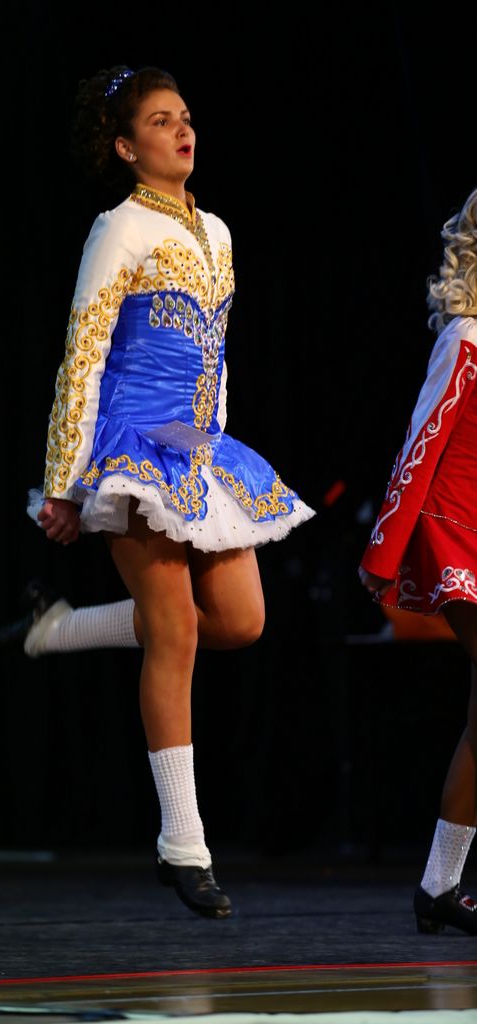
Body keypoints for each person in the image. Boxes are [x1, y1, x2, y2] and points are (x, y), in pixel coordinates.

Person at [0, 65, 315, 918]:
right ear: (124, 146)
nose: (182, 131)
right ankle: (183, 843)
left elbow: (216, 353)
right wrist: (65, 484)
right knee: (174, 628)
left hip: (194, 447)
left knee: (239, 622)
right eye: (160, 121)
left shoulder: (216, 230)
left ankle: (60, 629)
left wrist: (218, 452)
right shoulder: (119, 228)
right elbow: (84, 351)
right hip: (131, 444)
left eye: (185, 117)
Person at [358, 186, 477, 935]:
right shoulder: (466, 335)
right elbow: (420, 442)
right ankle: (439, 884)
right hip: (454, 529)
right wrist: (384, 551)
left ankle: (439, 886)